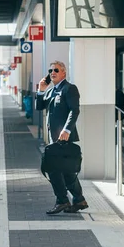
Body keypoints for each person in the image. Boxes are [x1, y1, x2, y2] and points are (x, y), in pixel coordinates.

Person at [36, 61, 88, 214]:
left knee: (53, 169)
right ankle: (79, 200)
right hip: (55, 138)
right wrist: (40, 91)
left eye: (56, 70)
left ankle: (62, 201)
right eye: (50, 70)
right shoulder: (52, 90)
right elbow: (40, 107)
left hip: (64, 138)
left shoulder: (69, 89)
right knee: (67, 171)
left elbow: (74, 110)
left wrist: (67, 130)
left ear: (64, 72)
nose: (52, 72)